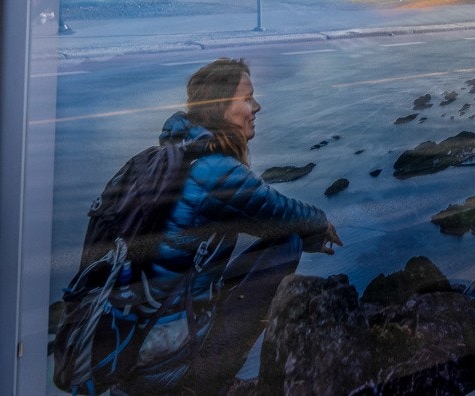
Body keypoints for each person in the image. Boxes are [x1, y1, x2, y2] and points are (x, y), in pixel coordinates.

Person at [116, 58, 341, 396]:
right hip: (164, 363)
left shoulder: (177, 157)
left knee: (286, 237)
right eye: (247, 97)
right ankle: (205, 383)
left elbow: (258, 217)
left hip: (140, 344)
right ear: (220, 106)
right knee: (288, 244)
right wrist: (321, 223)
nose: (257, 106)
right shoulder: (213, 171)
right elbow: (278, 210)